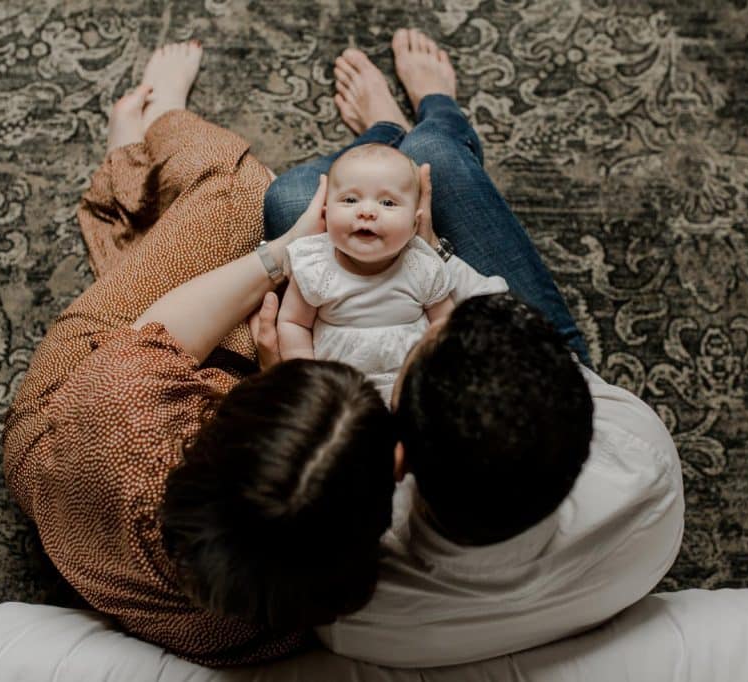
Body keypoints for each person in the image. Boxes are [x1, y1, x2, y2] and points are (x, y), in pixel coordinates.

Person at [260, 29, 684, 667]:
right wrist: (431, 257)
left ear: (397, 461)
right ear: (578, 413)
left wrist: (284, 385)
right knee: (435, 158)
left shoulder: (353, 598)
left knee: (293, 196)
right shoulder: (640, 459)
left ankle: (392, 130)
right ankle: (434, 113)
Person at [2, 41, 399, 666]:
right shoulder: (289, 620)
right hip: (104, 459)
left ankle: (142, 146)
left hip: (68, 407)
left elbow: (153, 335)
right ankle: (149, 167)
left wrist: (283, 252)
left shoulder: (119, 406)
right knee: (269, 242)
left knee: (241, 199)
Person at [279, 142, 505, 402]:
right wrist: (306, 372)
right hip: (339, 391)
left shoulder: (421, 265)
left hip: (413, 384)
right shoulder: (315, 267)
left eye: (388, 203)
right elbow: (293, 323)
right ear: (325, 213)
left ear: (414, 224)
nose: (366, 211)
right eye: (350, 200)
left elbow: (444, 323)